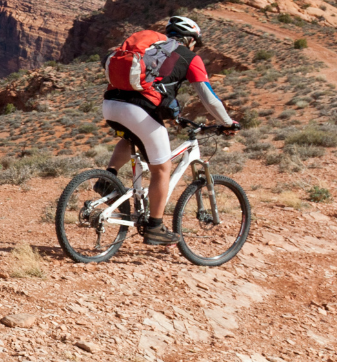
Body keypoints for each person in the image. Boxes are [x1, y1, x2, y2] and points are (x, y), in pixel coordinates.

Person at [101, 15, 236, 245]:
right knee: (162, 168)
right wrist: (227, 122)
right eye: (195, 43)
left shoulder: (151, 48)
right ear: (190, 40)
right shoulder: (190, 57)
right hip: (139, 110)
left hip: (111, 104)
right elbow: (209, 99)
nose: (195, 47)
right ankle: (155, 227)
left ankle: (107, 178)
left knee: (132, 137)